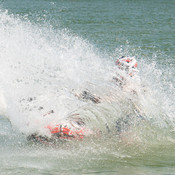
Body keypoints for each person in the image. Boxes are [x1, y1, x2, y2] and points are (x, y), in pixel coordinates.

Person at [27, 56, 142, 143]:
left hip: (129, 118)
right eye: (117, 68)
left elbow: (114, 98)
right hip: (121, 116)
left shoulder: (131, 85)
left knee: (97, 115)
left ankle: (76, 131)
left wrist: (92, 97)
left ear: (128, 70)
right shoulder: (122, 83)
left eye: (120, 69)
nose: (117, 73)